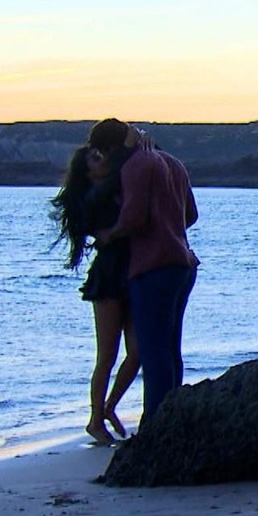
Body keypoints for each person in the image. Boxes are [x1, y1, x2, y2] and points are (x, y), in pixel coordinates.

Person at [87, 119, 199, 424]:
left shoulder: (136, 165)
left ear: (110, 147)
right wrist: (168, 224)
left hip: (153, 266)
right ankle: (174, 413)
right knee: (170, 347)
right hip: (183, 263)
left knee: (153, 351)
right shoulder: (173, 162)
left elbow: (133, 218)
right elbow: (191, 214)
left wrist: (111, 233)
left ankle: (155, 421)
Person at [51, 145, 140, 445]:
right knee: (107, 354)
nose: (101, 158)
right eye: (93, 157)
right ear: (85, 171)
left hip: (132, 269)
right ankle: (94, 419)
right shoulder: (92, 197)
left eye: (101, 154)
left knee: (138, 351)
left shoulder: (115, 187)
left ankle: (110, 407)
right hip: (109, 274)